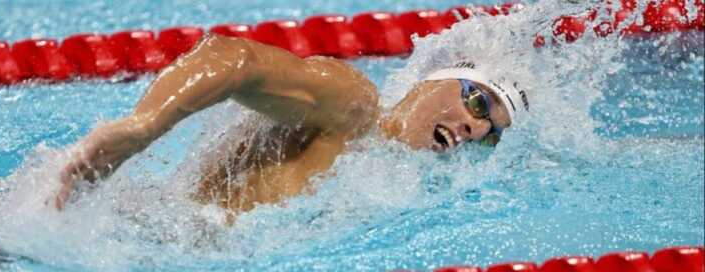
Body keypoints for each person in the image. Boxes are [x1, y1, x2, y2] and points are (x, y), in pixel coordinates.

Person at [53, 34, 528, 215]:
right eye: (479, 104)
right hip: (97, 227)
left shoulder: (388, 183)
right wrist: (143, 128)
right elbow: (231, 57)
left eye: (492, 134)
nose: (475, 130)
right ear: (439, 79)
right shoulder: (353, 108)